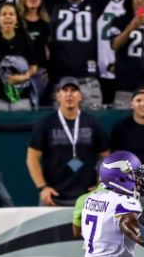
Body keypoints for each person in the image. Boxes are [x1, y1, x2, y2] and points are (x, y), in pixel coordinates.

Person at [26, 77, 109, 207]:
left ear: (80, 96)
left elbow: (107, 157)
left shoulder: (93, 123)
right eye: (65, 90)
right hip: (53, 197)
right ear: (58, 96)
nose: (69, 94)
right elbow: (32, 159)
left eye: (73, 90)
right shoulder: (45, 123)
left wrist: (101, 184)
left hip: (87, 198)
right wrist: (42, 188)